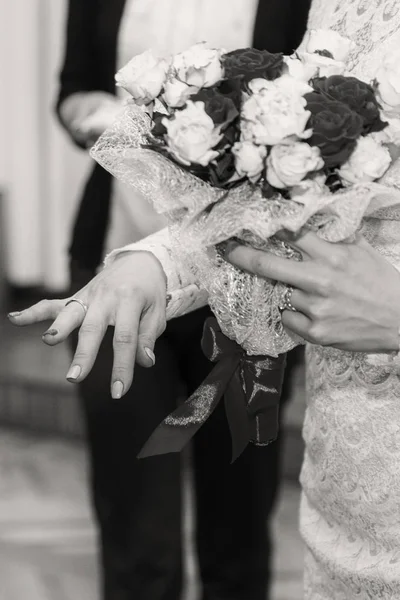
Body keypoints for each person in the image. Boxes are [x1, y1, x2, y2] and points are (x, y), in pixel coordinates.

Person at [11, 0, 400, 596]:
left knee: (238, 506)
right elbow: (75, 87)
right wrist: (157, 249)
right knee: (133, 506)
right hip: (136, 251)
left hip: (266, 288)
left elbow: (321, 166)